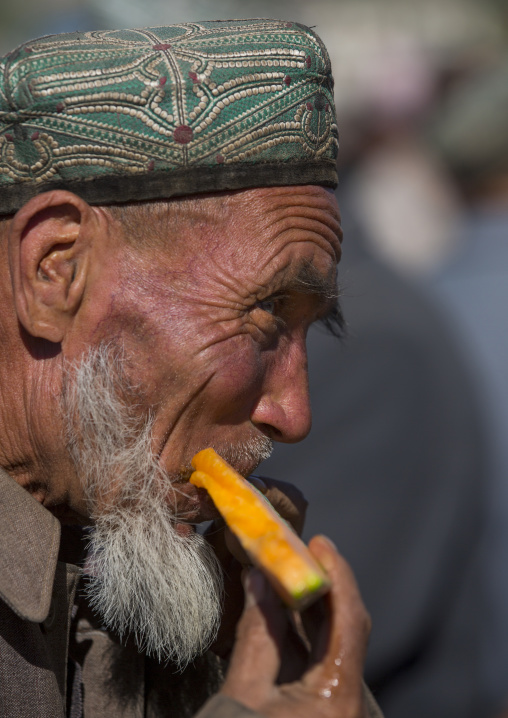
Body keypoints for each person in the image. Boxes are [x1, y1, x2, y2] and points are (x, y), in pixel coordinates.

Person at [0, 19, 381, 718]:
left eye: (310, 330)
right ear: (55, 270)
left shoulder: (124, 552)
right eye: (265, 314)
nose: (294, 416)